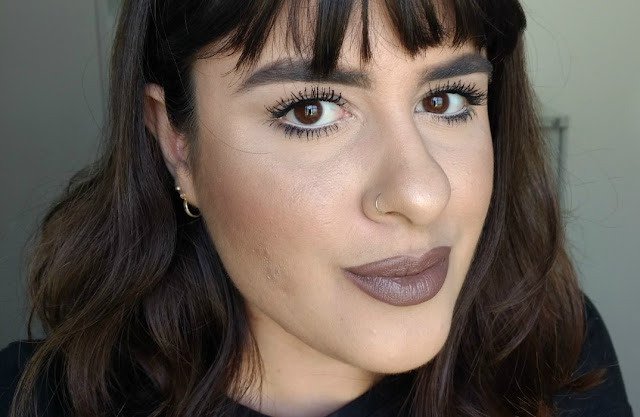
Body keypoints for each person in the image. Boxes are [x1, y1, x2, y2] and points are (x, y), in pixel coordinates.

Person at [0, 0, 633, 416]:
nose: (422, 193)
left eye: (446, 99)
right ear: (176, 143)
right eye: (311, 111)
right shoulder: (37, 400)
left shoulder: (550, 351)